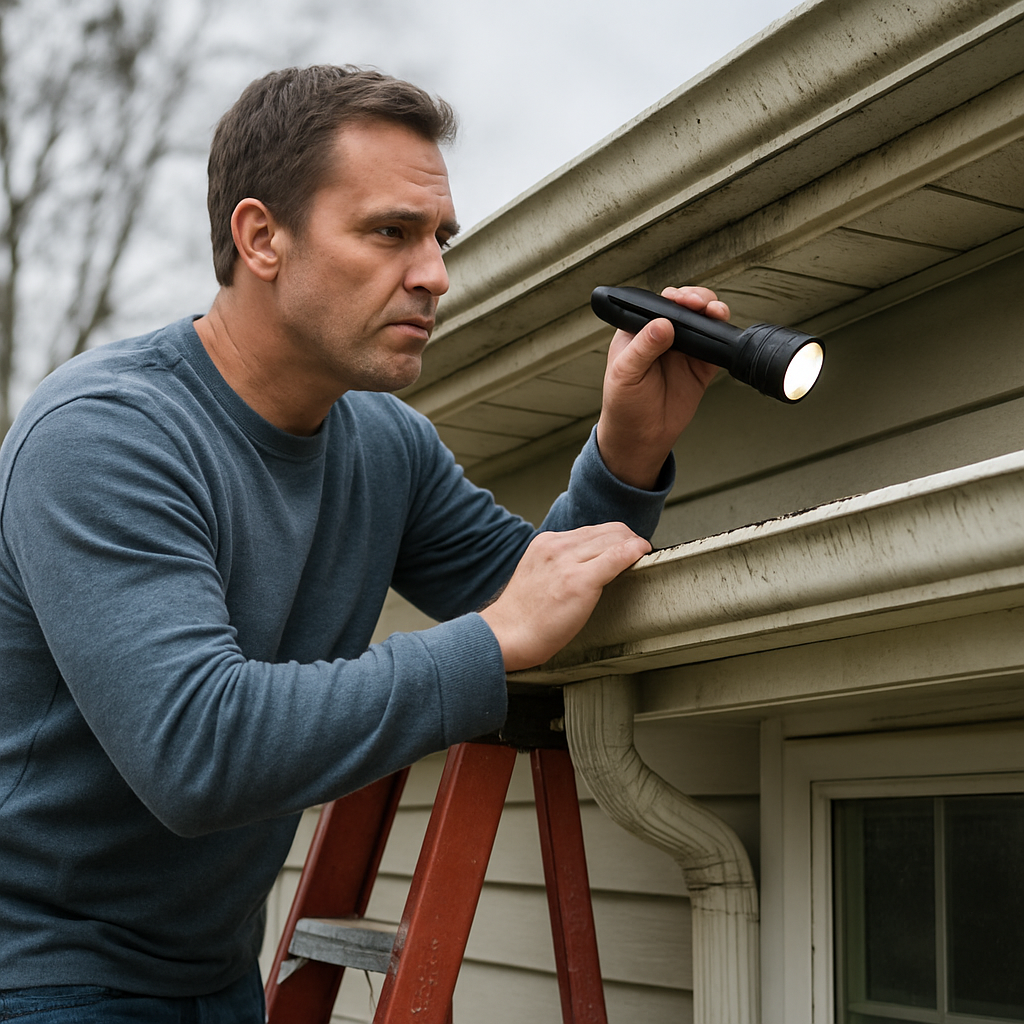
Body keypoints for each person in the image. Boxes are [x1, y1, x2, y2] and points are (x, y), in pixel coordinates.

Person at [0, 65, 726, 1019]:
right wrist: (491, 641)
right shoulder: (105, 434)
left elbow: (549, 603)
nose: (434, 273)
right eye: (391, 232)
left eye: (439, 238)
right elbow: (196, 749)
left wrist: (627, 452)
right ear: (262, 237)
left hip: (214, 977)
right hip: (40, 976)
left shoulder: (385, 446)